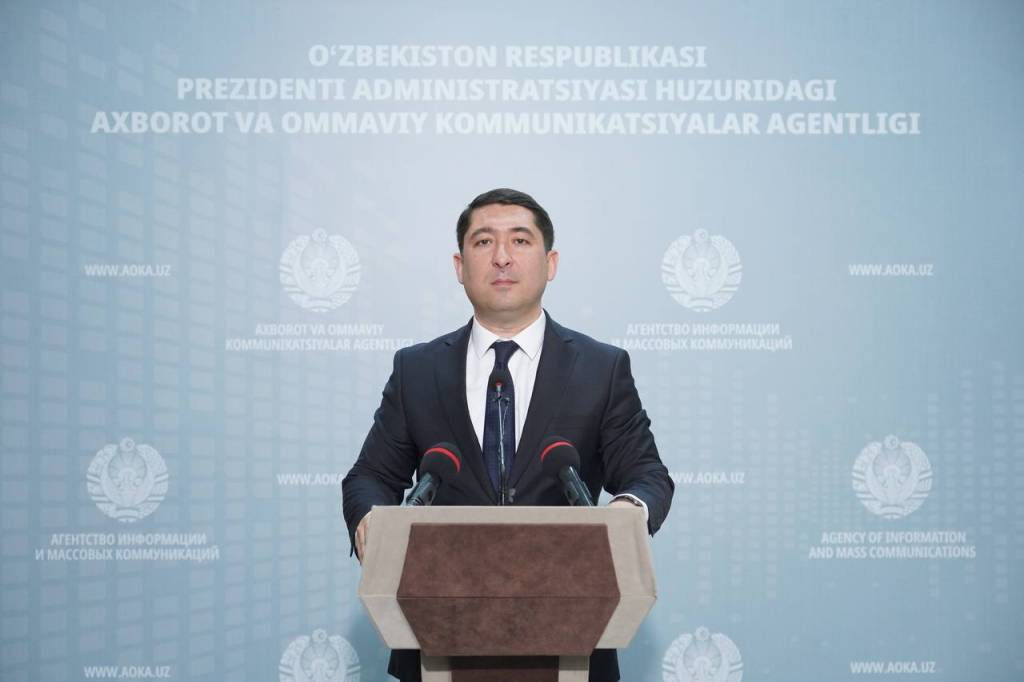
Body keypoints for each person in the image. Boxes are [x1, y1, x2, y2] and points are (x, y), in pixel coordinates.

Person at [341, 188, 674, 682]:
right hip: (437, 633)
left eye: (520, 240)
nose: (501, 257)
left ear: (550, 262)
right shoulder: (417, 369)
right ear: (459, 266)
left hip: (572, 634)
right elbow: (369, 476)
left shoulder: (600, 368)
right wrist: (371, 518)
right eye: (483, 242)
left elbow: (647, 474)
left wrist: (627, 510)